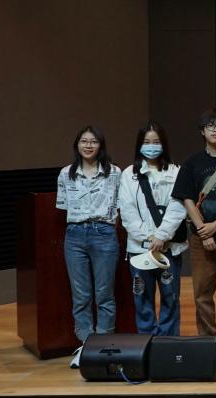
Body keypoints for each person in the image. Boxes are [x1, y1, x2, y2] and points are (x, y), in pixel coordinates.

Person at [156, 108, 216, 363]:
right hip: (199, 238)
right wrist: (203, 230)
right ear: (202, 131)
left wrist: (215, 225)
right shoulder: (192, 162)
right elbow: (186, 198)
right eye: (210, 126)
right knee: (202, 293)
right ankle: (207, 340)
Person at [56, 126, 121, 368]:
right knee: (81, 295)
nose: (88, 145)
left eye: (93, 141)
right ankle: (86, 344)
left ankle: (102, 344)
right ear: (77, 145)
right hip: (75, 235)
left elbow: (121, 205)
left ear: (100, 145)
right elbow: (62, 206)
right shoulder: (66, 173)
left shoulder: (114, 173)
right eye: (84, 141)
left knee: (104, 293)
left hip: (104, 233)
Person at [119, 121, 188, 337]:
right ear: (139, 145)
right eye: (146, 142)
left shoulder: (176, 172)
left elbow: (178, 207)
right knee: (142, 298)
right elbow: (127, 210)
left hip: (168, 248)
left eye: (156, 142)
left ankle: (167, 343)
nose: (151, 146)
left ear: (164, 144)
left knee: (170, 297)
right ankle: (146, 342)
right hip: (139, 249)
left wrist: (161, 236)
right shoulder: (129, 174)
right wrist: (148, 238)